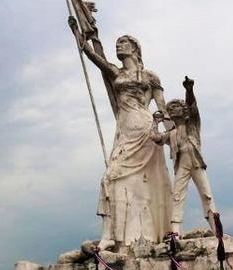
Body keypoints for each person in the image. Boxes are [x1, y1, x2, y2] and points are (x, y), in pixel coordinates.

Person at [68, 17, 173, 249]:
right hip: (125, 131)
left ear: (134, 48)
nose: (118, 45)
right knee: (109, 178)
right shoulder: (116, 72)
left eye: (123, 42)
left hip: (146, 131)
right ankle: (109, 236)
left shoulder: (150, 76)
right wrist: (78, 33)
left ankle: (153, 233)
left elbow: (162, 109)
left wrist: (172, 137)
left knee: (145, 183)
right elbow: (95, 58)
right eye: (117, 42)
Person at [151, 76, 217, 237]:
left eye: (176, 107)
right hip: (182, 165)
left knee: (206, 195)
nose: (172, 110)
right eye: (170, 108)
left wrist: (189, 90)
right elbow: (156, 138)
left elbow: (193, 107)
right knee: (178, 195)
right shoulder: (171, 134)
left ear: (183, 110)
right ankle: (175, 231)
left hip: (196, 163)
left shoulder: (192, 126)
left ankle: (216, 228)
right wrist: (155, 122)